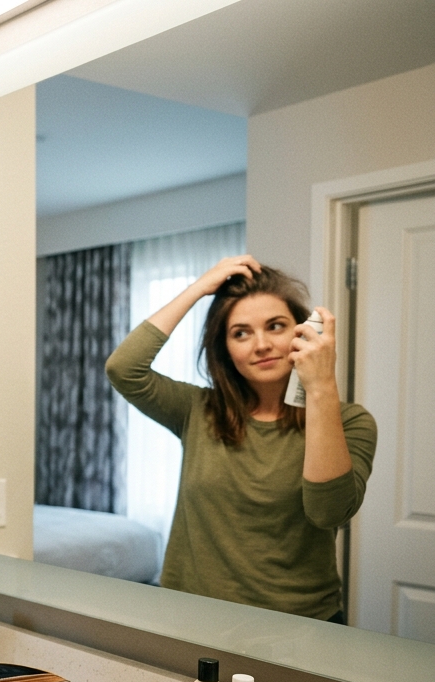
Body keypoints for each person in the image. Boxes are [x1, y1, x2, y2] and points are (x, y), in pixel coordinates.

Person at [105, 256, 376, 622]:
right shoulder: (198, 410)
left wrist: (321, 385)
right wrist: (199, 288)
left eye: (276, 326)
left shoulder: (350, 421)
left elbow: (327, 511)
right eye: (241, 333)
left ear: (301, 333)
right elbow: (124, 369)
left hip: (300, 623)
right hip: (192, 616)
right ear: (225, 350)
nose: (261, 344)